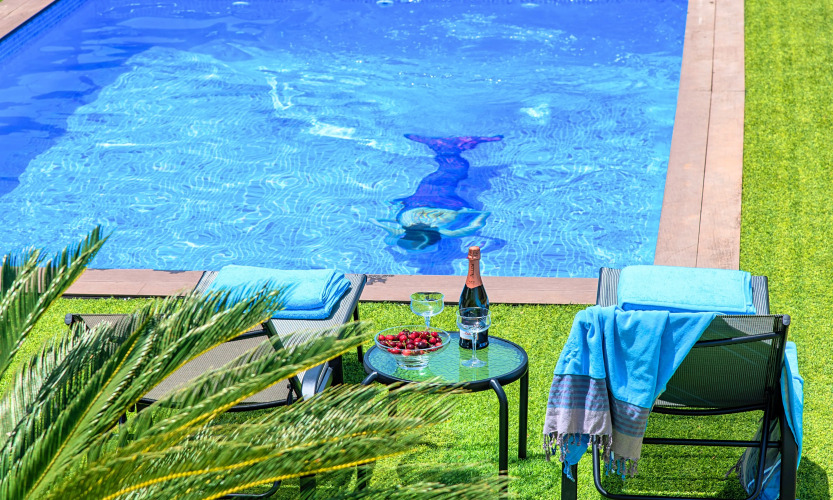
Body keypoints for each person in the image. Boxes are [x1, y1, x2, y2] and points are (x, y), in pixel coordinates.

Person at [370, 134, 503, 252]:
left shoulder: (445, 229)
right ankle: (441, 146)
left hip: (442, 201)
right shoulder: (403, 226)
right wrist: (393, 232)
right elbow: (374, 220)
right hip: (421, 197)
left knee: (456, 171)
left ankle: (452, 144)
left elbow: (484, 215)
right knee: (443, 175)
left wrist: (469, 214)